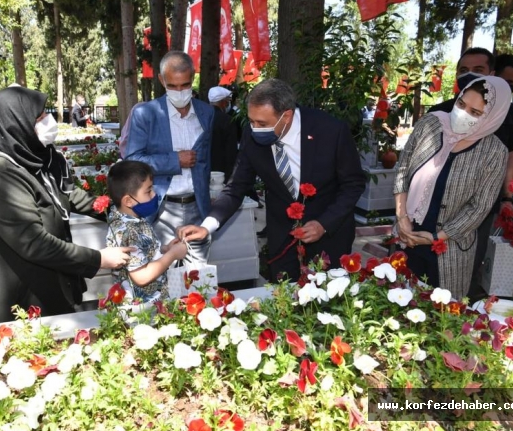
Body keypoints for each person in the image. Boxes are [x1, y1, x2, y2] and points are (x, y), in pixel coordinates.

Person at [0, 87, 133, 327]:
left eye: (43, 115)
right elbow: (33, 243)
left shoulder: (37, 154)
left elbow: (68, 194)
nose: (48, 122)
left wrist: (120, 211)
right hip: (8, 295)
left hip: (44, 281)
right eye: (38, 119)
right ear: (14, 124)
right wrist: (98, 259)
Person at [178, 79, 366, 281]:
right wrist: (207, 226)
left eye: (262, 124)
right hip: (283, 239)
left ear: (286, 116)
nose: (254, 128)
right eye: (251, 121)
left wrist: (323, 223)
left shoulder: (330, 131)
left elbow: (353, 185)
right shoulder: (253, 135)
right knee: (285, 302)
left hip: (329, 237)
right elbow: (236, 188)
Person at [394, 76, 511, 299]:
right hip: (406, 236)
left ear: (492, 117)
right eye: (461, 104)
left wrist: (437, 237)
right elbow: (402, 168)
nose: (462, 113)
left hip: (450, 249)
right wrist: (402, 219)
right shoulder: (430, 124)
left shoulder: (494, 152)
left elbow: (479, 208)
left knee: (442, 318)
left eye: (475, 113)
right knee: (398, 304)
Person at [428, 48, 513, 298]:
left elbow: (511, 155)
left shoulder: (506, 112)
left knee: (465, 269)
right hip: (437, 205)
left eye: (477, 70)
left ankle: (458, 315)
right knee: (429, 268)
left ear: (491, 74)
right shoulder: (439, 112)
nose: (468, 75)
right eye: (463, 70)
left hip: (479, 208)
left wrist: (507, 198)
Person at [125, 51, 215, 263]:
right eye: (172, 86)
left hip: (197, 208)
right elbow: (133, 162)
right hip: (161, 210)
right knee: (162, 277)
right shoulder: (145, 114)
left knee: (199, 279)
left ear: (193, 77)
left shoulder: (206, 113)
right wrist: (175, 160)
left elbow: (205, 161)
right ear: (161, 80)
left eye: (184, 84)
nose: (179, 91)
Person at [106, 160, 188, 301]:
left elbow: (141, 252)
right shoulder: (129, 231)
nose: (154, 195)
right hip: (143, 309)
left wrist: (164, 249)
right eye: (148, 191)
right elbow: (142, 277)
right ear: (128, 201)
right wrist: (173, 255)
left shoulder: (130, 218)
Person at [208, 86, 239, 182]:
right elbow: (231, 151)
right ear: (223, 102)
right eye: (227, 101)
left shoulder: (200, 117)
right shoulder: (227, 120)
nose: (228, 104)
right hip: (221, 172)